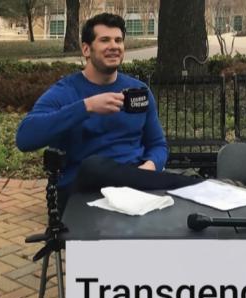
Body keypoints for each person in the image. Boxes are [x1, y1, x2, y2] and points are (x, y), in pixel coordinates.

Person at [16, 12, 197, 212]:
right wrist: (86, 107)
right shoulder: (65, 92)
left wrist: (149, 168)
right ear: (86, 49)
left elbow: (158, 145)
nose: (114, 46)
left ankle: (198, 189)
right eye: (105, 40)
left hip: (135, 187)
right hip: (84, 191)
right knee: (94, 166)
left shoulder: (139, 92)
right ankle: (194, 185)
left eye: (118, 40)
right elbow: (25, 138)